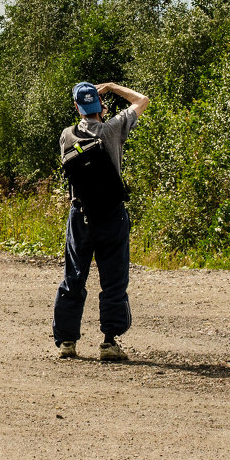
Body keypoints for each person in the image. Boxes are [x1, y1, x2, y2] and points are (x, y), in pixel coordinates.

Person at [54, 81, 150, 361]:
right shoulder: (112, 129)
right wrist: (110, 87)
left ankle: (67, 342)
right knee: (114, 279)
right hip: (112, 214)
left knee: (74, 278)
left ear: (76, 107)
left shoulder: (66, 135)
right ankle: (109, 342)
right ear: (101, 107)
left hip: (80, 215)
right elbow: (142, 100)